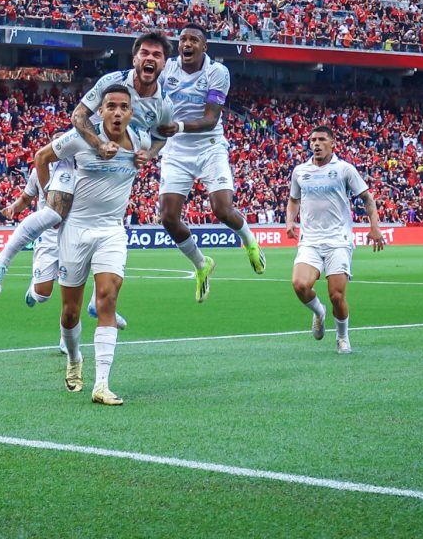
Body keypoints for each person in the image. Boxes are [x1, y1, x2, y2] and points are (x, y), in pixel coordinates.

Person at [0, 31, 177, 297]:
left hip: (115, 169)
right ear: (135, 58)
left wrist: (150, 154)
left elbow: (161, 136)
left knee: (105, 231)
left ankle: (100, 302)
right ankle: (0, 262)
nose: (150, 58)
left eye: (157, 55)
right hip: (81, 155)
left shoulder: (164, 104)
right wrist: (97, 145)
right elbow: (78, 115)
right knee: (54, 213)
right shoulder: (112, 81)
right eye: (144, 53)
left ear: (165, 63)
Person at [33, 84, 149, 405]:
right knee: (70, 313)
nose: (116, 111)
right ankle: (73, 359)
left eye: (123, 106)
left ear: (130, 112)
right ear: (100, 111)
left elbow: (152, 149)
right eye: (110, 105)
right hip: (74, 230)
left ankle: (102, 384)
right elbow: (41, 157)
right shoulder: (80, 140)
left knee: (107, 299)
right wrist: (49, 201)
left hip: (111, 230)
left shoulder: (140, 141)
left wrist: (143, 159)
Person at [159, 25, 265, 302]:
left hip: (209, 146)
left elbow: (211, 119)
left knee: (222, 209)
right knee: (168, 218)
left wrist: (177, 125)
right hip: (176, 150)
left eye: (194, 39)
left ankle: (250, 242)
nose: (187, 43)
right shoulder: (167, 70)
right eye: (182, 39)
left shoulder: (217, 72)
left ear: (204, 46)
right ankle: (201, 264)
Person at [0, 166, 127, 348]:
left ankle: (81, 321)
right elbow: (26, 198)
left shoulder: (82, 167)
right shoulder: (39, 170)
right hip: (49, 236)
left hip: (74, 232)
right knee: (42, 294)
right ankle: (34, 287)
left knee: (78, 283)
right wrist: (13, 208)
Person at [285, 125, 385, 355]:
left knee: (336, 295)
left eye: (321, 139)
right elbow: (293, 200)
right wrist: (290, 221)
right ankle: (319, 312)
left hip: (338, 240)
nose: (316, 144)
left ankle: (342, 337)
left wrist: (375, 227)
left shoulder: (344, 169)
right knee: (300, 285)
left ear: (333, 143)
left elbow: (368, 198)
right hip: (310, 240)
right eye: (312, 140)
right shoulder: (300, 171)